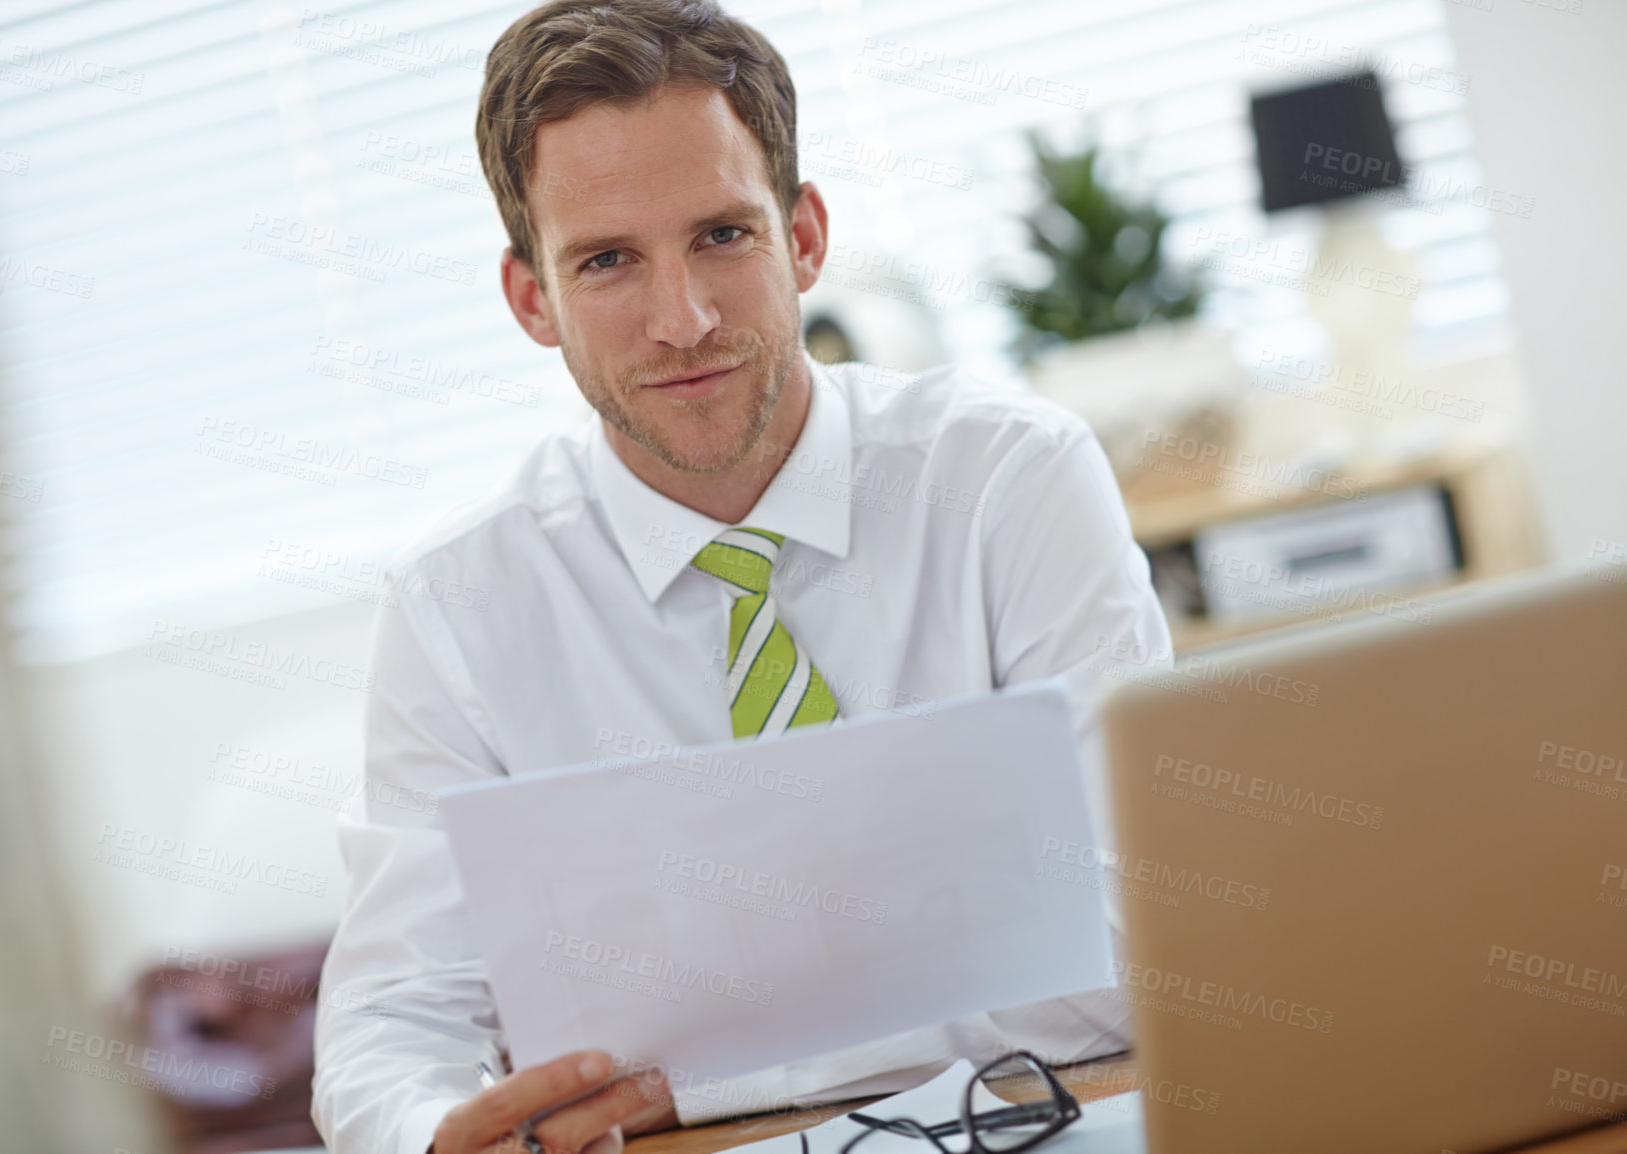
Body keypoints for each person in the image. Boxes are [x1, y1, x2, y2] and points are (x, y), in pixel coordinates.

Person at [310, 2, 1173, 1152]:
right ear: (532, 300)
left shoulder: (1009, 478)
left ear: (804, 235)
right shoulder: (455, 603)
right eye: (607, 260)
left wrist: (701, 1073)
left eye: (722, 235)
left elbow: (1135, 944)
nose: (685, 320)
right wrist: (435, 1134)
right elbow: (387, 1029)